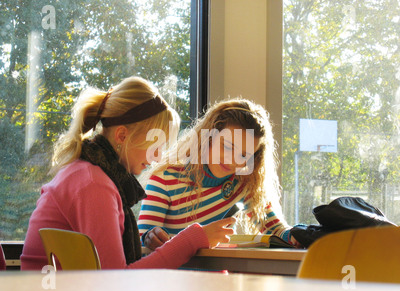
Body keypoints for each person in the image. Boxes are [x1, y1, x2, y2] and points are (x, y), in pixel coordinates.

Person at [21, 76, 235, 271]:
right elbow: (116, 281)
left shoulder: (86, 172)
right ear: (122, 135)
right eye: (155, 145)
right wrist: (191, 238)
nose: (158, 157)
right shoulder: (94, 184)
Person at [138, 99, 296, 250]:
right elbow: (142, 240)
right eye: (227, 147)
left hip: (221, 276)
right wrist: (149, 237)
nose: (232, 160)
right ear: (207, 138)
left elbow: (275, 229)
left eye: (244, 156)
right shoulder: (165, 179)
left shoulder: (243, 182)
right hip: (173, 275)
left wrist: (298, 235)